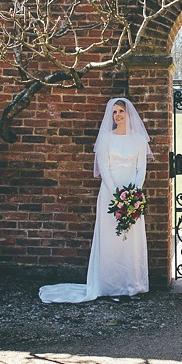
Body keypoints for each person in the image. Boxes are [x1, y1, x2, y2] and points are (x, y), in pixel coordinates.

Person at [39, 97, 153, 303]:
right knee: (111, 239)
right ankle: (110, 286)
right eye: (114, 112)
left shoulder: (138, 140)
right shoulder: (106, 140)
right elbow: (105, 170)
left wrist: (133, 195)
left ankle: (132, 285)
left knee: (131, 240)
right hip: (111, 193)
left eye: (121, 111)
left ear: (129, 114)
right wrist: (118, 196)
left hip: (133, 195)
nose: (118, 116)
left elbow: (141, 169)